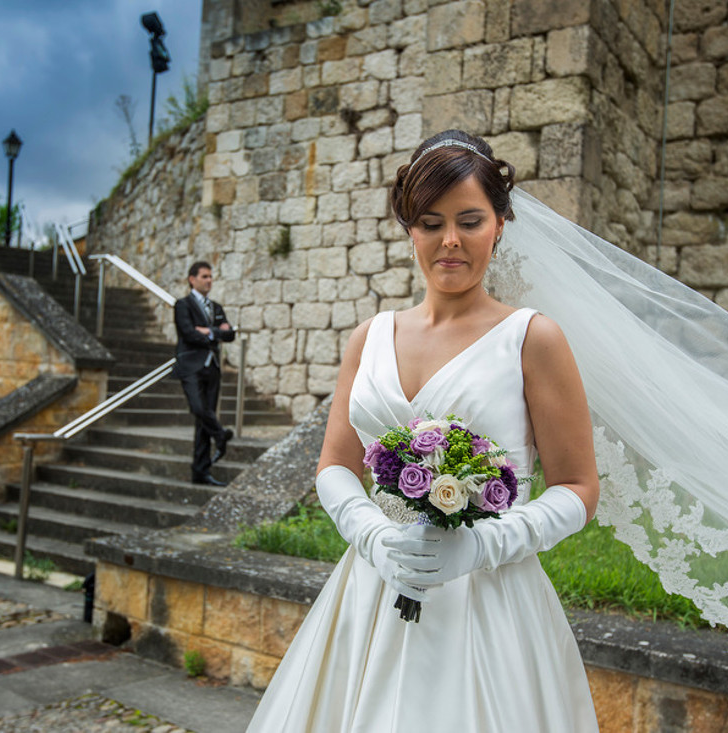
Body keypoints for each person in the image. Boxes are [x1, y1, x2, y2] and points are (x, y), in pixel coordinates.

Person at [246, 131, 602, 730]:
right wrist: (371, 536)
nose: (451, 240)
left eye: (471, 219)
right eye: (431, 222)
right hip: (372, 585)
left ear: (500, 225)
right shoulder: (370, 336)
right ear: (411, 229)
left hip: (488, 598)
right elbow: (336, 464)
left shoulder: (533, 338)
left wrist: (479, 545)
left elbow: (579, 487)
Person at [171, 261, 235, 486]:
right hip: (190, 367)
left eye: (211, 276)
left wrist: (208, 331)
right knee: (199, 408)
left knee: (202, 421)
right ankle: (220, 434)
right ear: (192, 279)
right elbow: (188, 333)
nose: (209, 280)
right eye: (204, 276)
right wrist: (217, 332)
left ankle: (200, 471)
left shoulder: (216, 307)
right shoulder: (182, 305)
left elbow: (230, 335)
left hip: (213, 367)